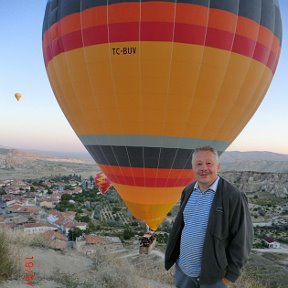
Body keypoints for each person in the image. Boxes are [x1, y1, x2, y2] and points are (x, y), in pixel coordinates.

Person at [165, 146, 253, 288]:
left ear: (218, 166)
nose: (203, 168)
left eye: (209, 163)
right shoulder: (188, 190)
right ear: (192, 167)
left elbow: (243, 239)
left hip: (214, 278)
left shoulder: (233, 196)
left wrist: (229, 277)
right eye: (198, 164)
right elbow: (183, 227)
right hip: (183, 272)